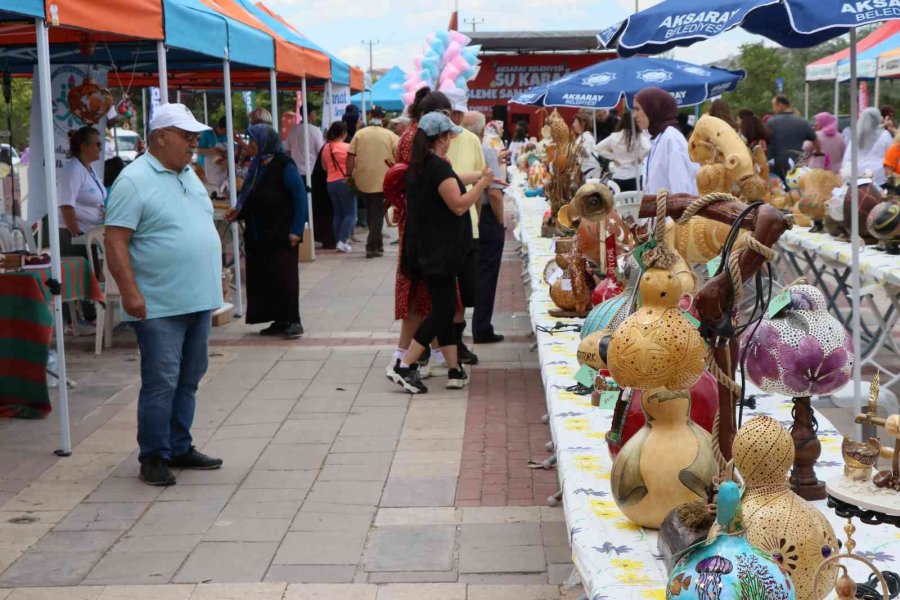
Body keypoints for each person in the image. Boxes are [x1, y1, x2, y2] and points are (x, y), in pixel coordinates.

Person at [104, 103, 223, 486]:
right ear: (160, 137)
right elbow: (116, 241)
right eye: (186, 135)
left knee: (189, 378)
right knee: (161, 381)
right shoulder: (134, 180)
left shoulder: (187, 173)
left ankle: (178, 445)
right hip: (159, 303)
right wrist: (130, 292)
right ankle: (153, 455)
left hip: (198, 298)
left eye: (195, 135)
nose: (194, 142)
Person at [388, 111, 493, 394]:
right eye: (449, 137)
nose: (451, 142)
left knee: (443, 307)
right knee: (444, 309)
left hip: (426, 250)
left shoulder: (420, 166)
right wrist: (483, 183)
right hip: (439, 253)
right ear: (441, 138)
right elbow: (459, 204)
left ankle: (454, 369)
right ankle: (405, 364)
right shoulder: (437, 168)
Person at [224, 125, 307, 338]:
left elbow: (299, 198)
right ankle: (278, 320)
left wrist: (297, 230)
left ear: (264, 143)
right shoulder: (257, 166)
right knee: (266, 278)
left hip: (281, 233)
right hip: (258, 234)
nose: (249, 145)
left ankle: (292, 321)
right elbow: (250, 195)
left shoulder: (284, 165)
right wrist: (238, 211)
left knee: (284, 277)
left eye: (253, 142)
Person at [445, 89, 484, 365]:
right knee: (442, 293)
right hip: (440, 228)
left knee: (464, 293)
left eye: (459, 113)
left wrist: (476, 220)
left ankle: (457, 343)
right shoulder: (433, 143)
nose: (455, 118)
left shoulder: (471, 140)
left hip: (467, 225)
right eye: (451, 113)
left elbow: (480, 184)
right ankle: (432, 345)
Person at [58, 126, 105, 326]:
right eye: (97, 144)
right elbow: (66, 205)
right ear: (84, 147)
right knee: (78, 276)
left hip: (89, 232)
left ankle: (90, 315)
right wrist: (76, 233)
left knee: (90, 274)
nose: (101, 148)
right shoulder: (72, 170)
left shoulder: (88, 168)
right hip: (74, 232)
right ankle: (75, 320)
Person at [469, 113, 507, 344]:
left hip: (461, 216)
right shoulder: (485, 151)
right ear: (483, 131)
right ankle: (481, 326)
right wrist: (501, 222)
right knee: (486, 273)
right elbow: (494, 193)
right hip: (485, 218)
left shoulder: (452, 149)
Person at [347, 106, 399, 258]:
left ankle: (377, 243)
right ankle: (372, 246)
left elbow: (350, 156)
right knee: (377, 213)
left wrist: (348, 174)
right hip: (384, 180)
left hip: (363, 179)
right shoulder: (391, 136)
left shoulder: (359, 134)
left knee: (372, 212)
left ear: (370, 117)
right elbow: (398, 158)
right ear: (383, 119)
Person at [634, 87, 698, 195]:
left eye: (637, 109)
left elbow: (682, 189)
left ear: (652, 108)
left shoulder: (671, 139)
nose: (634, 115)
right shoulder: (658, 137)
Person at [766, 95, 819, 182]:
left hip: (776, 163)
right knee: (796, 190)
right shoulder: (802, 121)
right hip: (798, 162)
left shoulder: (771, 122)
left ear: (781, 105)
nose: (773, 109)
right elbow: (815, 139)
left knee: (778, 190)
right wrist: (818, 152)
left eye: (774, 106)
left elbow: (765, 140)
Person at [595, 111, 650, 192]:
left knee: (621, 201)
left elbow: (598, 148)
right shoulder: (638, 136)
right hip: (635, 175)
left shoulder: (614, 136)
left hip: (618, 175)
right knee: (636, 201)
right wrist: (640, 157)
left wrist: (613, 157)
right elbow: (648, 147)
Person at [323, 121, 356, 252]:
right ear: (344, 133)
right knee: (350, 214)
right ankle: (342, 241)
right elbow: (354, 164)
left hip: (330, 182)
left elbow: (324, 166)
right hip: (345, 182)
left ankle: (338, 240)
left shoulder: (326, 147)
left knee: (338, 213)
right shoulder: (348, 147)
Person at [842, 107, 894, 187]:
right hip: (879, 177)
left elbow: (848, 158)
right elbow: (892, 156)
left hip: (859, 176)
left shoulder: (856, 136)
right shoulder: (885, 135)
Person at [284, 109, 325, 180]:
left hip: (296, 171)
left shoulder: (293, 130)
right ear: (310, 114)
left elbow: (287, 151)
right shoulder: (315, 131)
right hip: (312, 170)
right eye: (314, 113)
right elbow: (321, 152)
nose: (315, 116)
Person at [196, 116, 229, 191]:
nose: (226, 132)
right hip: (206, 169)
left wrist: (225, 159)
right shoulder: (206, 134)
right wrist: (211, 150)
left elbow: (231, 151)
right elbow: (197, 150)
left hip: (221, 170)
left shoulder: (228, 136)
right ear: (223, 128)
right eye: (226, 130)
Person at [571, 111, 601, 179]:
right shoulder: (581, 137)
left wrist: (577, 148)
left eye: (575, 122)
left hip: (589, 170)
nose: (573, 124)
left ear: (583, 123)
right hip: (585, 169)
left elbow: (586, 155)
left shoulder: (586, 136)